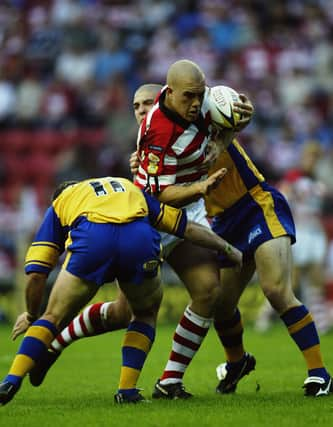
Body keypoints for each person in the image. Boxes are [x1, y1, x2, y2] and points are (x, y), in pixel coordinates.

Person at [132, 60, 332, 398]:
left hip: (255, 204)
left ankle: (319, 373)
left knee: (275, 290)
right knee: (220, 303)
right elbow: (157, 183)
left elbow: (240, 107)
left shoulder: (206, 109)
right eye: (137, 108)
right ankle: (236, 362)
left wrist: (242, 113)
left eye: (147, 104)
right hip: (221, 221)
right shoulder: (157, 142)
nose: (142, 112)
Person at [0, 176, 242, 406]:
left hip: (93, 241)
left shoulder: (61, 202)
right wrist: (227, 248)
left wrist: (31, 315)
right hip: (138, 240)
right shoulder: (128, 187)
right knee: (144, 313)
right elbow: (186, 228)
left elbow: (36, 272)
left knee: (52, 316)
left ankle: (10, 381)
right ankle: (126, 391)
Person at [255, 142, 331, 334]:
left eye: (316, 158)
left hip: (314, 230)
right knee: (291, 280)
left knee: (316, 278)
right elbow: (281, 200)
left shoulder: (317, 180)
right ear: (304, 157)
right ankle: (264, 316)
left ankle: (320, 324)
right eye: (310, 157)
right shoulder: (292, 177)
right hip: (299, 229)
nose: (313, 161)